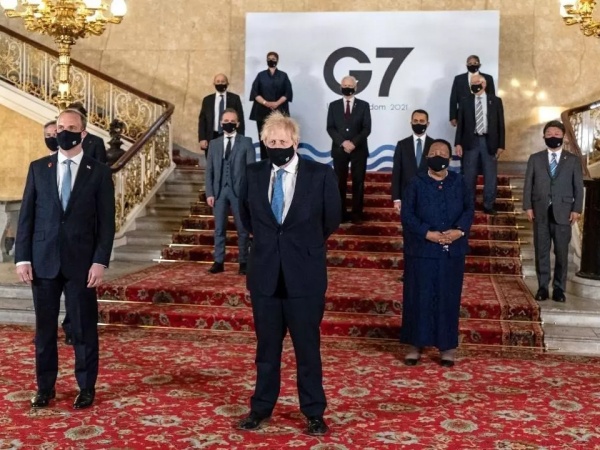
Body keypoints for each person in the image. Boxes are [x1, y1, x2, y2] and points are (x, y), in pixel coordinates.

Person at [237, 111, 341, 436]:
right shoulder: (253, 173)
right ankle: (260, 408)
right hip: (265, 276)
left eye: (282, 141)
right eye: (271, 141)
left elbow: (332, 218)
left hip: (304, 276)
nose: (277, 146)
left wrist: (303, 245)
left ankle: (313, 412)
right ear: (264, 143)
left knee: (307, 350)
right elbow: (245, 216)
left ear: (295, 142)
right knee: (266, 351)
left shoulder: (320, 174)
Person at [15, 108, 115, 409]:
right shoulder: (38, 168)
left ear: (83, 133)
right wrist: (22, 258)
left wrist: (100, 261)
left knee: (83, 329)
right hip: (43, 262)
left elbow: (106, 223)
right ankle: (45, 388)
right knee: (45, 331)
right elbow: (26, 216)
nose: (63, 132)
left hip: (82, 264)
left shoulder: (98, 172)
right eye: (60, 127)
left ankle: (86, 387)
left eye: (70, 128)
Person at [400, 139, 474, 367]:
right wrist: (427, 233)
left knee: (447, 297)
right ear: (427, 157)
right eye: (433, 152)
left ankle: (447, 346)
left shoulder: (460, 182)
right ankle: (415, 344)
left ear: (450, 158)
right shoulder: (416, 182)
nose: (438, 155)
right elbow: (407, 215)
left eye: (443, 152)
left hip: (452, 250)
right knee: (418, 296)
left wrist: (459, 231)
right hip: (421, 250)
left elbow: (469, 208)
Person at [523, 120, 584, 302]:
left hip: (564, 212)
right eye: (549, 133)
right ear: (544, 136)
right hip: (540, 211)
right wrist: (528, 206)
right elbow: (528, 184)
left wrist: (576, 209)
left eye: (557, 134)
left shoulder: (572, 160)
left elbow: (578, 187)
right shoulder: (535, 158)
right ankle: (542, 287)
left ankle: (559, 289)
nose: (553, 137)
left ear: (563, 136)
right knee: (541, 251)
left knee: (561, 253)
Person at [205, 108, 256, 275]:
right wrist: (210, 193)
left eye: (232, 121)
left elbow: (251, 170)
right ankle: (218, 262)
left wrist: (249, 194)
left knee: (242, 229)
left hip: (239, 193)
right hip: (219, 192)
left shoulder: (246, 142)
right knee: (219, 229)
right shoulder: (214, 144)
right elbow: (209, 171)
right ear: (221, 123)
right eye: (226, 121)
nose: (229, 124)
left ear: (238, 123)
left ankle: (244, 262)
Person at [454, 74, 505, 215]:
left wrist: (501, 145)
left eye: (477, 82)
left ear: (484, 84)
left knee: (490, 175)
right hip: (471, 142)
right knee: (469, 176)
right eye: (472, 83)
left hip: (490, 142)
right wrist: (458, 143)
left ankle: (488, 205)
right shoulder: (465, 101)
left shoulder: (495, 101)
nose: (474, 84)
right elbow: (460, 125)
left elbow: (501, 124)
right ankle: (469, 205)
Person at [326, 75, 372, 223]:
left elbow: (366, 128)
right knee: (340, 182)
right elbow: (330, 127)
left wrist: (353, 143)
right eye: (344, 86)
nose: (347, 88)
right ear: (340, 87)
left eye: (350, 86)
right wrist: (343, 143)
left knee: (358, 182)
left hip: (359, 150)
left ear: (355, 87)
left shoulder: (364, 105)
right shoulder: (333, 106)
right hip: (339, 150)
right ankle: (341, 214)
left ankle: (357, 214)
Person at [249, 51, 293, 160]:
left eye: (273, 58)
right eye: (269, 58)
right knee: (264, 139)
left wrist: (276, 103)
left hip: (279, 112)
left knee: (280, 137)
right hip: (262, 112)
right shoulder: (261, 75)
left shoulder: (283, 75)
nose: (271, 60)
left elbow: (288, 93)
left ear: (277, 60)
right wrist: (266, 103)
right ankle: (265, 162)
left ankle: (279, 160)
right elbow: (255, 93)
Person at [391, 109, 435, 213]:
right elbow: (396, 172)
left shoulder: (434, 145)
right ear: (411, 123)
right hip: (407, 195)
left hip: (430, 196)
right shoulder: (402, 145)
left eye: (421, 121)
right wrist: (396, 199)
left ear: (428, 123)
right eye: (415, 121)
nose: (418, 123)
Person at [198, 73, 246, 157]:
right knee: (212, 161)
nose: (220, 83)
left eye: (223, 81)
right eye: (218, 81)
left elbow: (240, 119)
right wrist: (202, 138)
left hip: (230, 135)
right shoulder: (207, 100)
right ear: (214, 83)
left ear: (227, 83)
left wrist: (240, 139)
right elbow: (202, 121)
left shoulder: (235, 98)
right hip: (211, 136)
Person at [449, 55, 496, 127]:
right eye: (470, 63)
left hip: (483, 112)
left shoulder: (488, 78)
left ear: (480, 65)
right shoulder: (459, 79)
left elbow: (491, 97)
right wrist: (453, 116)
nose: (472, 65)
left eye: (475, 63)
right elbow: (453, 98)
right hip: (463, 113)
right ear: (466, 65)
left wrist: (492, 115)